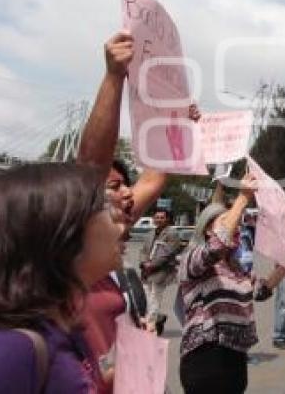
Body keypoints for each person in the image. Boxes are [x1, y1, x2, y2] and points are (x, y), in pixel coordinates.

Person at [76, 31, 199, 393]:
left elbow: (156, 175)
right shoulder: (74, 244)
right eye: (114, 186)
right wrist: (115, 76)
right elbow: (89, 168)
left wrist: (179, 124)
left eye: (127, 184)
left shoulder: (114, 237)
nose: (128, 194)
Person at [0, 163, 123, 393]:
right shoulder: (15, 351)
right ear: (67, 230)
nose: (119, 225)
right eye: (103, 208)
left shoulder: (65, 331)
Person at [178, 173, 258, 394]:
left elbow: (261, 290)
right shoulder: (193, 259)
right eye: (226, 221)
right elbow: (215, 246)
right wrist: (242, 198)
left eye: (236, 222)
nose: (236, 227)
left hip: (235, 357)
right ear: (207, 230)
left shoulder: (236, 267)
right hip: (205, 358)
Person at [139, 208, 182, 335]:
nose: (158, 219)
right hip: (146, 271)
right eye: (156, 217)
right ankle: (158, 318)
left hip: (161, 271)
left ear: (168, 219)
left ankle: (150, 326)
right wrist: (143, 263)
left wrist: (152, 265)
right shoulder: (150, 233)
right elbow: (143, 251)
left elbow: (169, 253)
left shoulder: (172, 234)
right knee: (146, 299)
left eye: (162, 217)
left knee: (155, 298)